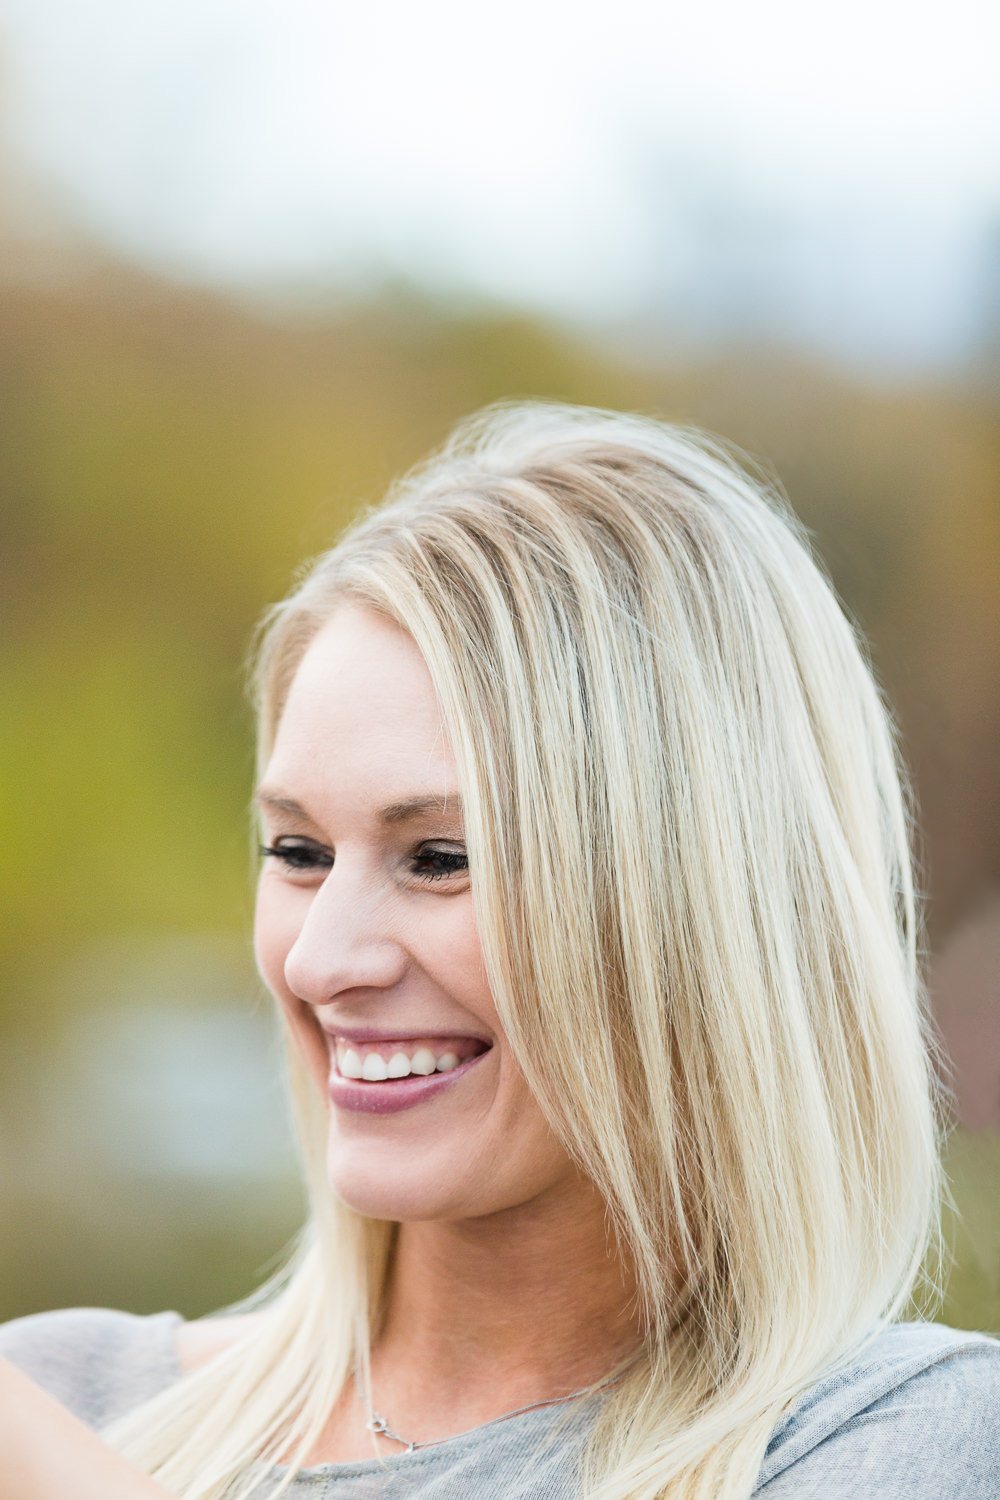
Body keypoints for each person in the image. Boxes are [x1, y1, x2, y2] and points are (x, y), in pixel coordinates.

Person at [1, 401, 998, 1500]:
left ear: (693, 905)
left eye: (437, 858)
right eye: (296, 849)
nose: (319, 962)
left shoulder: (904, 1440)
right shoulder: (69, 1396)